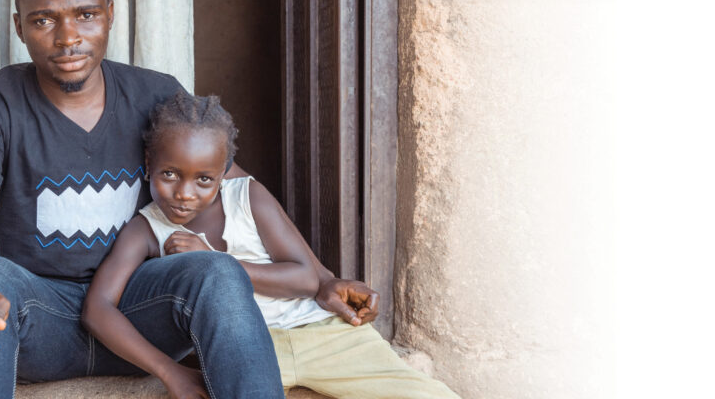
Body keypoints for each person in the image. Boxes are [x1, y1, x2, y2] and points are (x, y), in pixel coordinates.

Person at [0, 0, 379, 398]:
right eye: (43, 20)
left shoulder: (155, 95)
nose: (68, 36)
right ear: (19, 26)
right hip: (37, 318)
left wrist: (323, 278)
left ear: (110, 14)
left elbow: (237, 184)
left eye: (86, 15)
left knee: (216, 270)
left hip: (139, 311)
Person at [83, 90, 460, 399]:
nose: (184, 193)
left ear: (224, 170)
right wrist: (169, 371)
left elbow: (306, 279)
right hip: (243, 350)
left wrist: (214, 261)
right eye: (169, 174)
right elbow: (98, 309)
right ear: (148, 162)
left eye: (204, 179)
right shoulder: (146, 229)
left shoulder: (247, 197)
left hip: (324, 333)